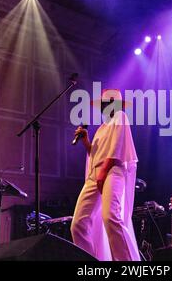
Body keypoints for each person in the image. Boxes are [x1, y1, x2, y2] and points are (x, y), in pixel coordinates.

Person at [70, 89, 140, 261]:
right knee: (78, 224)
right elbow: (95, 155)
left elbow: (116, 148)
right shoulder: (102, 128)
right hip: (96, 174)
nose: (103, 107)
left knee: (110, 217)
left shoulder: (120, 116)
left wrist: (103, 172)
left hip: (113, 170)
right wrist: (86, 141)